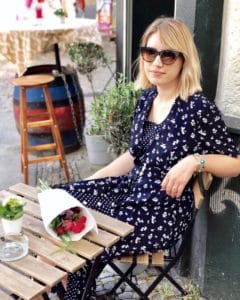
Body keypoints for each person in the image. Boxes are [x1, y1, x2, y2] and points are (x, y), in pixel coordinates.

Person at [56, 17, 240, 299]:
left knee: (82, 231)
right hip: (129, 191)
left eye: (168, 55)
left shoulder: (197, 108)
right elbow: (133, 156)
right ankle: (71, 286)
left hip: (161, 212)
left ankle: (75, 290)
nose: (157, 62)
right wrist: (90, 183)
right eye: (149, 52)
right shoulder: (146, 99)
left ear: (183, 60)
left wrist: (194, 161)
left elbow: (235, 163)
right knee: (61, 201)